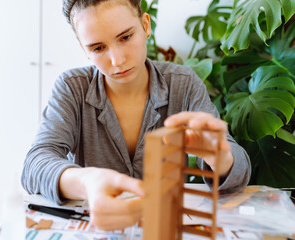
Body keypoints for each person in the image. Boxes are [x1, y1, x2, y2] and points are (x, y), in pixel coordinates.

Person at [21, 0, 251, 231]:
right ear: (83, 48)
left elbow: (239, 169)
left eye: (125, 37)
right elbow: (35, 163)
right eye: (98, 48)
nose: (117, 60)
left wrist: (219, 156)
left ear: (145, 25)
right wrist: (88, 182)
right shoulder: (73, 88)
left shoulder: (183, 83)